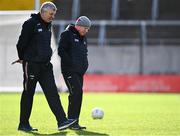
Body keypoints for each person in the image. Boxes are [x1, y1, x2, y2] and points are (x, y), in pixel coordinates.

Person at [16, 2, 76, 131]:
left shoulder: (48, 24)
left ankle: (62, 121)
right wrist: (23, 58)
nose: (52, 16)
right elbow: (20, 43)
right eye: (51, 14)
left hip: (45, 66)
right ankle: (23, 124)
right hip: (31, 65)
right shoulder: (30, 23)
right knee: (28, 93)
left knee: (53, 93)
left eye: (54, 14)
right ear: (43, 12)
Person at [58, 16, 91, 130]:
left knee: (78, 94)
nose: (87, 31)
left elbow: (85, 53)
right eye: (86, 28)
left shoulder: (84, 38)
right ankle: (71, 121)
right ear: (79, 26)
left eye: (88, 29)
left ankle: (74, 122)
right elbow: (61, 50)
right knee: (76, 92)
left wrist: (85, 65)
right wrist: (70, 64)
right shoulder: (66, 34)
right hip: (69, 71)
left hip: (79, 72)